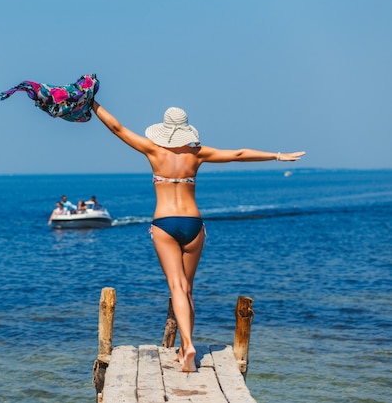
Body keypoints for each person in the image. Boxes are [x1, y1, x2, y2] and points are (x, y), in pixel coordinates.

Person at [91, 100, 305, 372]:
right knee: (188, 289)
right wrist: (277, 155)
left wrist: (92, 103)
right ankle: (183, 349)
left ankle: (188, 344)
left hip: (165, 223)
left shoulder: (153, 151)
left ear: (163, 130)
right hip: (193, 224)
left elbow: (117, 128)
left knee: (176, 287)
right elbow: (238, 154)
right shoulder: (197, 154)